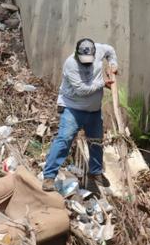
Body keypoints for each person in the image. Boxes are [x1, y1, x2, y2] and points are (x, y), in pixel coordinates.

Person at [42, 38, 118, 193]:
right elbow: (82, 90)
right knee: (64, 139)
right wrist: (103, 83)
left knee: (96, 141)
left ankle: (95, 172)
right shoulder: (71, 64)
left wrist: (113, 63)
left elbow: (110, 50)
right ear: (77, 54)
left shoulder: (99, 49)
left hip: (94, 110)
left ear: (94, 53)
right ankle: (49, 176)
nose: (86, 64)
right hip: (73, 108)